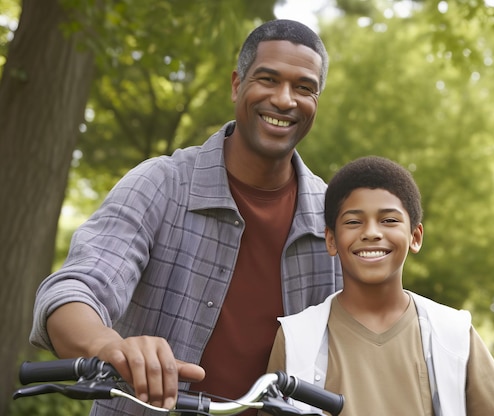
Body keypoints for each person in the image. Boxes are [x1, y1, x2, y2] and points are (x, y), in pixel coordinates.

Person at [29, 19, 342, 416]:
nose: (284, 100)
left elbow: (370, 329)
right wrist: (109, 347)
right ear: (236, 85)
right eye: (268, 79)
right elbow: (72, 291)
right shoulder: (161, 183)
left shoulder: (332, 215)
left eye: (304, 88)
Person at [265, 156, 494, 416]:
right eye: (354, 222)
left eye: (389, 220)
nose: (372, 232)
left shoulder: (454, 334)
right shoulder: (295, 337)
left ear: (415, 236)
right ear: (331, 240)